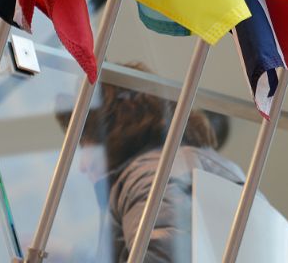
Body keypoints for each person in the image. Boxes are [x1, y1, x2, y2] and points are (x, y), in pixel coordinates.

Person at [59, 61, 244, 262]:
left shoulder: (150, 178)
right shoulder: (186, 165)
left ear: (112, 129)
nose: (82, 166)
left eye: (85, 143)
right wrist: (71, 256)